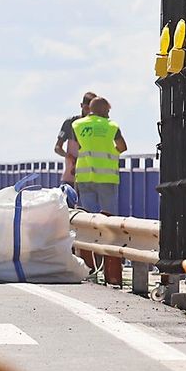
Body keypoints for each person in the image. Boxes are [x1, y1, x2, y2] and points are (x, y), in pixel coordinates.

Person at [66, 96, 127, 285]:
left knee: (89, 220)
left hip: (84, 176)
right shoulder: (111, 126)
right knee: (109, 221)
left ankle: (92, 265)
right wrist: (111, 154)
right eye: (108, 111)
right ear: (103, 111)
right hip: (107, 177)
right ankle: (110, 263)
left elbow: (73, 150)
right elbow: (122, 147)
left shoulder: (78, 125)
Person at [55, 91, 97, 185]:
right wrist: (68, 156)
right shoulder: (70, 123)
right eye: (86, 108)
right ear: (81, 105)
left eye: (92, 109)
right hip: (70, 176)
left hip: (91, 178)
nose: (88, 112)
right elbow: (57, 148)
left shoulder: (97, 125)